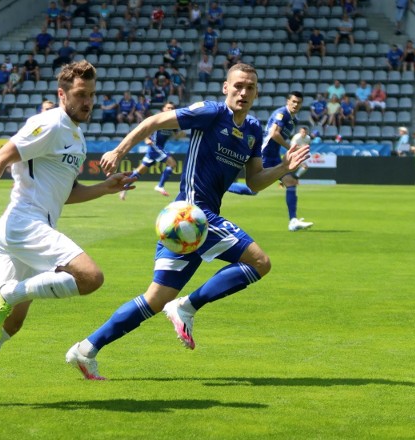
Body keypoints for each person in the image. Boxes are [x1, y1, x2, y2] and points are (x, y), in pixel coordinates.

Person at [65, 64, 311, 380]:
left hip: (187, 227)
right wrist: (119, 149)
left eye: (250, 87)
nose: (243, 92)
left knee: (154, 300)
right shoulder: (209, 113)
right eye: (238, 86)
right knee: (260, 262)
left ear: (256, 92)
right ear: (226, 87)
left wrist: (284, 168)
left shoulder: (252, 130)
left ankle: (85, 349)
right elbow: (154, 121)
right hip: (192, 215)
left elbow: (254, 182)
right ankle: (187, 306)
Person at [0, 60, 135, 409]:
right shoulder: (48, 123)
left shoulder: (76, 135)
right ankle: (7, 293)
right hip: (25, 224)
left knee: (9, 325)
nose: (88, 102)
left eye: (92, 95)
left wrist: (104, 188)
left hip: (32, 227)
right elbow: (0, 158)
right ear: (62, 94)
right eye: (81, 95)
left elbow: (65, 191)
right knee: (89, 277)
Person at [230, 91, 314, 232]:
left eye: (298, 102)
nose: (295, 104)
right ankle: (225, 186)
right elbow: (274, 133)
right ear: (288, 101)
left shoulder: (294, 120)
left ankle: (293, 221)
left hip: (274, 156)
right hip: (264, 155)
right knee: (253, 190)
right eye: (293, 101)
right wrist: (290, 148)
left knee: (290, 181)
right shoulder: (282, 114)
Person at [118, 101, 182, 200]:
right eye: (168, 107)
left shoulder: (173, 122)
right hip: (155, 146)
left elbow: (176, 135)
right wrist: (147, 138)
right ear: (163, 109)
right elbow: (147, 127)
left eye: (172, 108)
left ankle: (124, 187)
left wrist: (181, 135)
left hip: (155, 149)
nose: (170, 110)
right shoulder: (158, 118)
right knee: (172, 164)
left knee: (139, 171)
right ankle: (160, 186)